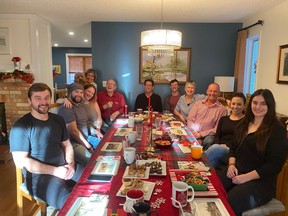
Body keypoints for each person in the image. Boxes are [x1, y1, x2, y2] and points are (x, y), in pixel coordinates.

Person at [9, 83, 84, 209]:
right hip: (40, 177)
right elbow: (20, 161)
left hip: (65, 166)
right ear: (29, 100)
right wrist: (55, 171)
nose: (44, 102)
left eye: (47, 97)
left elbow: (67, 145)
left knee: (95, 178)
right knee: (72, 205)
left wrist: (70, 163)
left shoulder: (58, 119)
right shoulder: (21, 126)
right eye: (38, 98)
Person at [218, 89, 288, 215]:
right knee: (214, 185)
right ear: (250, 104)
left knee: (232, 199)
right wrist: (231, 165)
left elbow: (274, 165)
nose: (258, 107)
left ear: (270, 106)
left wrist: (246, 177)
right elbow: (233, 147)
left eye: (263, 103)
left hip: (261, 181)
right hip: (238, 170)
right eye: (255, 103)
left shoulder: (277, 130)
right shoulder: (243, 123)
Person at [57, 83, 101, 166]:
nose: (79, 95)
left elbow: (85, 123)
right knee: (93, 163)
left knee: (106, 147)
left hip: (87, 138)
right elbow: (74, 131)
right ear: (70, 92)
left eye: (81, 92)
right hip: (74, 144)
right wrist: (88, 146)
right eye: (76, 92)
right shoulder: (66, 108)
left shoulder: (80, 106)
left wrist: (96, 132)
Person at [205, 93, 246, 168]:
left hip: (232, 153)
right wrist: (219, 145)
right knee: (210, 165)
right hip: (218, 149)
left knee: (215, 149)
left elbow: (242, 141)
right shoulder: (223, 119)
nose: (235, 107)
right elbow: (217, 136)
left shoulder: (246, 122)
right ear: (230, 105)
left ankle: (194, 164)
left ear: (244, 106)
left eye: (239, 104)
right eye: (233, 104)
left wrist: (226, 146)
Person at [187, 83, 227, 150]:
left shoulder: (222, 109)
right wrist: (195, 133)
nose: (212, 93)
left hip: (208, 135)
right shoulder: (198, 103)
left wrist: (200, 135)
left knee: (209, 140)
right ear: (207, 91)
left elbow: (217, 129)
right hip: (193, 132)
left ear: (219, 93)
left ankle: (204, 158)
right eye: (210, 91)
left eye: (215, 91)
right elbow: (190, 119)